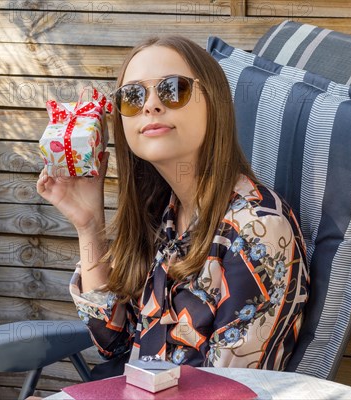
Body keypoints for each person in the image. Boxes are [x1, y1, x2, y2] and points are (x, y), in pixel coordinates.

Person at [36, 35, 309, 379]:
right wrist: (88, 224)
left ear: (215, 102)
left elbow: (226, 389)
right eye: (133, 97)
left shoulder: (256, 228)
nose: (150, 105)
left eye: (173, 89)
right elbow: (114, 342)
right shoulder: (163, 213)